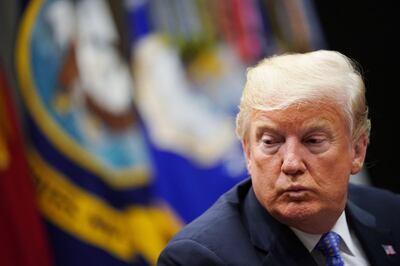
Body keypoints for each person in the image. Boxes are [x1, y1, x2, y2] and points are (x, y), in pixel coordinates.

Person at [157, 50, 400, 266]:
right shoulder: (197, 258)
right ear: (248, 152)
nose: (291, 163)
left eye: (313, 141)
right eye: (271, 142)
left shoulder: (391, 213)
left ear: (357, 151)